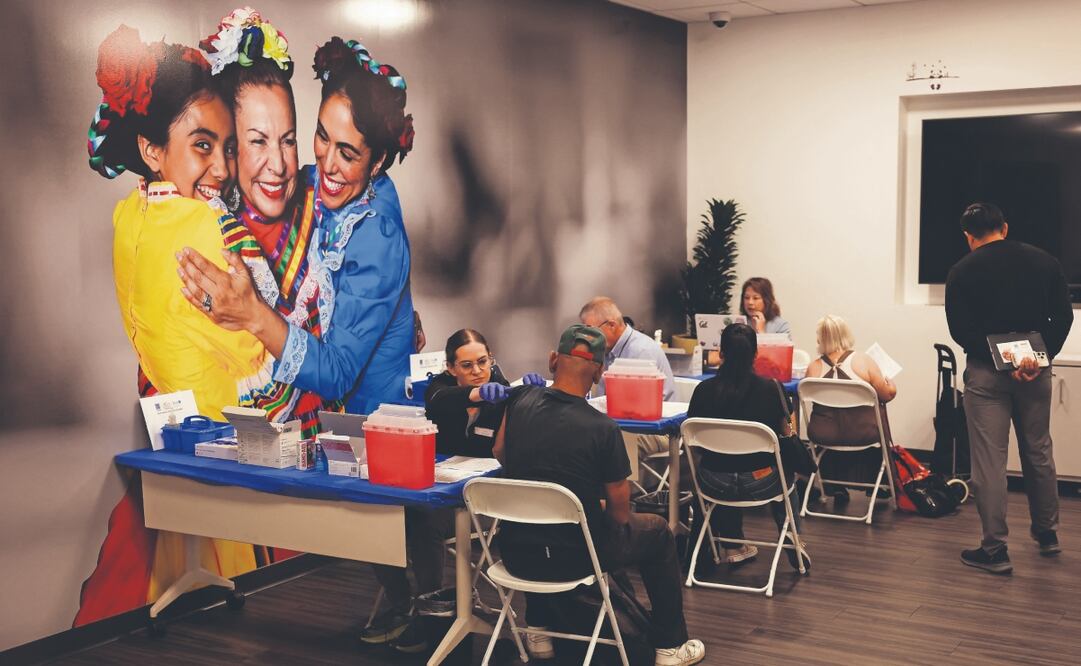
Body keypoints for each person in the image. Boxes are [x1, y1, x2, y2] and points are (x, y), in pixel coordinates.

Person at [78, 25, 274, 623]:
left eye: (226, 148)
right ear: (152, 150)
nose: (221, 167)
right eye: (202, 145)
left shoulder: (127, 218)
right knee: (248, 593)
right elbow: (256, 343)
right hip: (228, 435)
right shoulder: (210, 226)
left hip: (172, 424)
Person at [177, 35, 416, 415]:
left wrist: (253, 314)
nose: (328, 165)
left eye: (348, 153)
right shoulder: (293, 190)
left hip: (371, 429)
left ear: (376, 162)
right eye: (321, 137)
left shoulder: (376, 233)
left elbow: (337, 372)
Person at [493, 324, 706, 666]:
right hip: (577, 556)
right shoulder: (602, 428)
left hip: (516, 554)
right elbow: (620, 515)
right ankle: (670, 647)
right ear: (598, 373)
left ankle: (539, 631)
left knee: (536, 522)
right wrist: (590, 504)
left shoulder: (519, 401)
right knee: (658, 531)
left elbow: (501, 453)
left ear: (553, 360)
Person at [201, 7, 327, 438]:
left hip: (340, 451)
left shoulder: (329, 204)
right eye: (258, 142)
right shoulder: (209, 231)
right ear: (230, 147)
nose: (278, 164)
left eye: (288, 141)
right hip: (247, 455)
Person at [945, 202, 1072, 574]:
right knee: (1039, 450)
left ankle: (995, 549)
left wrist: (1004, 360)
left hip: (987, 376)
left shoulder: (961, 270)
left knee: (989, 462)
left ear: (969, 237)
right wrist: (1038, 357)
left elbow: (961, 331)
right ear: (1004, 227)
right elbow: (1063, 317)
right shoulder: (1045, 261)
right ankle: (1047, 535)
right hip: (1036, 372)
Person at [687, 323, 808, 568]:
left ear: (721, 353)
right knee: (786, 475)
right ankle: (792, 536)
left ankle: (732, 546)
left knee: (722, 463)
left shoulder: (702, 391)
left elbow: (694, 443)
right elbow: (788, 433)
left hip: (713, 482)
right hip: (761, 481)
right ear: (755, 354)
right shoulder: (772, 389)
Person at [804, 314, 897, 504]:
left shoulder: (814, 368)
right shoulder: (863, 361)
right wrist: (892, 386)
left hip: (824, 435)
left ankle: (834, 485)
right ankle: (875, 484)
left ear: (821, 338)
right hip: (863, 433)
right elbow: (886, 396)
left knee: (834, 423)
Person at [425, 328, 545, 457]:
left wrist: (531, 396)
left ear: (490, 359)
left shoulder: (499, 385)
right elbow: (440, 398)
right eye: (467, 365)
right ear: (451, 368)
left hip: (488, 468)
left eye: (482, 361)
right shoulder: (439, 388)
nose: (477, 371)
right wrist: (480, 393)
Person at [580, 297, 675, 400]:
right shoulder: (607, 349)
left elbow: (637, 403)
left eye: (592, 331)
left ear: (612, 325)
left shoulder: (641, 351)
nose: (588, 338)